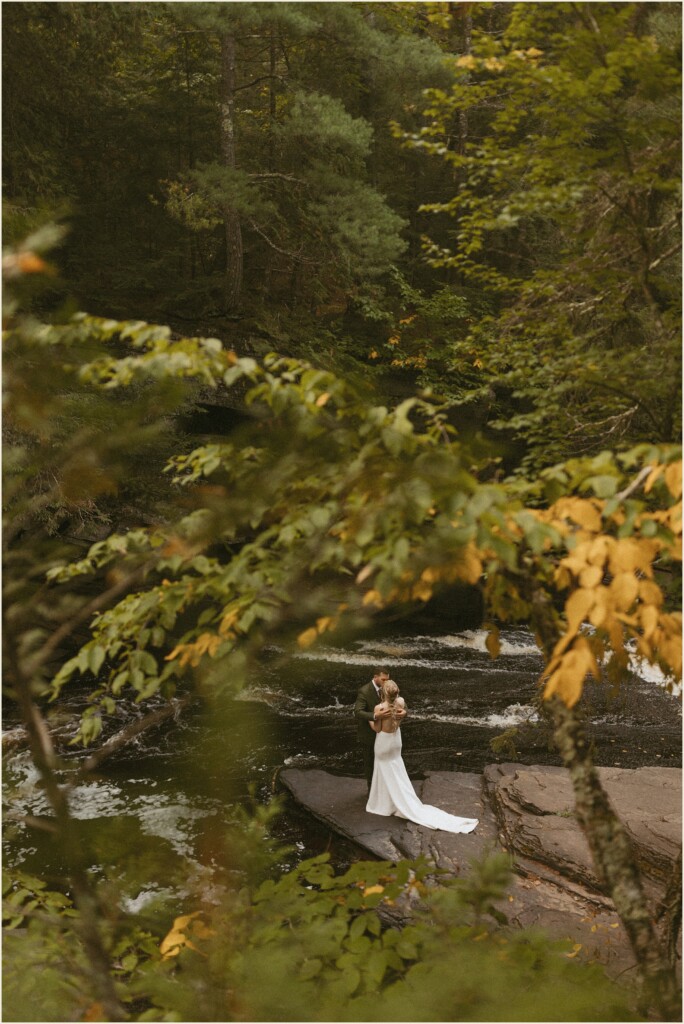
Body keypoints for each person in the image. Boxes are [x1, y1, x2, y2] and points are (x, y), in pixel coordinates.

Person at [366, 680, 478, 834]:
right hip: (396, 740)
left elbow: (377, 729)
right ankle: (396, 799)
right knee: (396, 767)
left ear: (383, 692)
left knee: (383, 768)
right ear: (396, 692)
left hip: (384, 742)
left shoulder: (379, 708)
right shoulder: (401, 702)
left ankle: (385, 803)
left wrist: (371, 719)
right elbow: (401, 717)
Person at [355, 669, 405, 793]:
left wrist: (404, 712)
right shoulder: (364, 691)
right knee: (370, 764)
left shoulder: (390, 688)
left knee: (388, 763)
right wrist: (375, 716)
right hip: (369, 734)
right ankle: (372, 792)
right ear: (375, 677)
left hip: (386, 735)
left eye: (387, 680)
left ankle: (387, 792)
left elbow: (402, 704)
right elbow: (358, 711)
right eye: (383, 680)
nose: (386, 682)